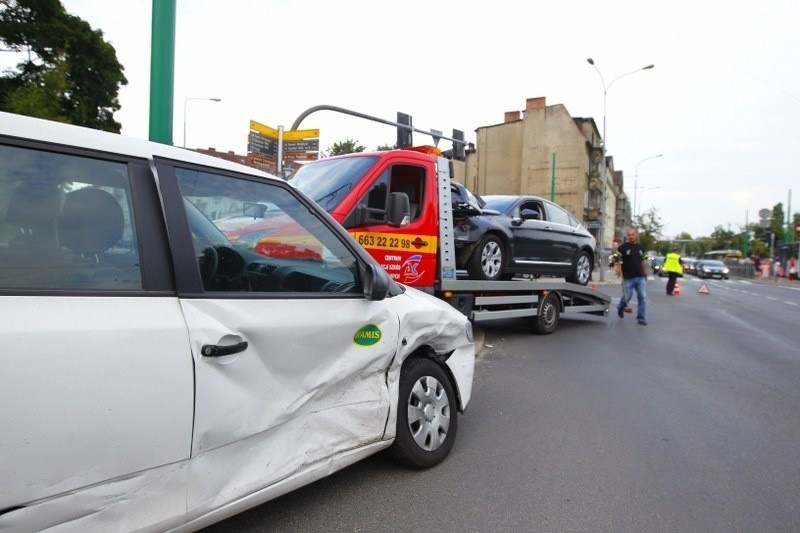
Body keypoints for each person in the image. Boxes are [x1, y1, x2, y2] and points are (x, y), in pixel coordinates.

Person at [614, 227, 649, 325]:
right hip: (628, 277)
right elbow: (616, 257)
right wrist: (617, 267)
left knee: (643, 297)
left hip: (640, 277)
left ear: (636, 235)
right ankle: (620, 307)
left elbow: (644, 261)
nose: (631, 237)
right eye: (629, 235)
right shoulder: (623, 247)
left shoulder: (641, 248)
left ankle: (641, 318)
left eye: (632, 235)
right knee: (627, 297)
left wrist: (645, 272)